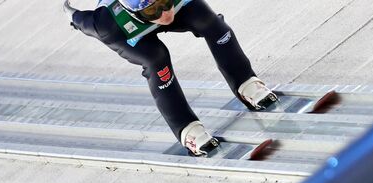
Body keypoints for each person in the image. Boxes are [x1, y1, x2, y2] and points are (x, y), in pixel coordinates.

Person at [62, 0, 278, 156]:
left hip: (179, 7)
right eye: (153, 9)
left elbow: (166, 10)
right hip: (131, 34)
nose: (165, 14)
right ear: (131, 10)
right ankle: (187, 129)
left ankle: (246, 83)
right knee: (157, 59)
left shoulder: (167, 10)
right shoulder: (106, 24)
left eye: (165, 2)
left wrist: (159, 8)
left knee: (209, 22)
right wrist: (70, 13)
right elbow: (81, 20)